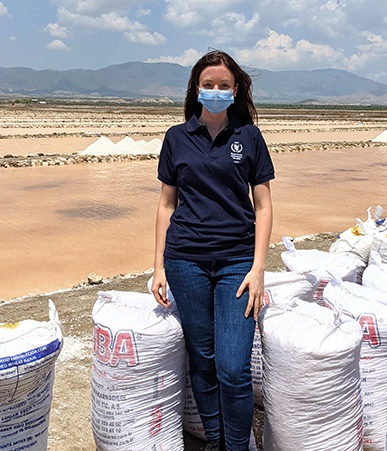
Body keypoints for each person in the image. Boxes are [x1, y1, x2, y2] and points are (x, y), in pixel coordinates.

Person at [150, 50, 274, 451]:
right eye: (209, 85)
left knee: (234, 367)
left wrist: (258, 269)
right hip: (185, 260)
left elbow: (264, 205)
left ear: (236, 91)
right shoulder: (176, 138)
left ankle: (237, 446)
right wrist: (158, 267)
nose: (216, 91)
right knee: (202, 360)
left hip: (237, 260)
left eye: (224, 86)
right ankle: (216, 442)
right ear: (196, 89)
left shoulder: (250, 138)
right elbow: (166, 204)